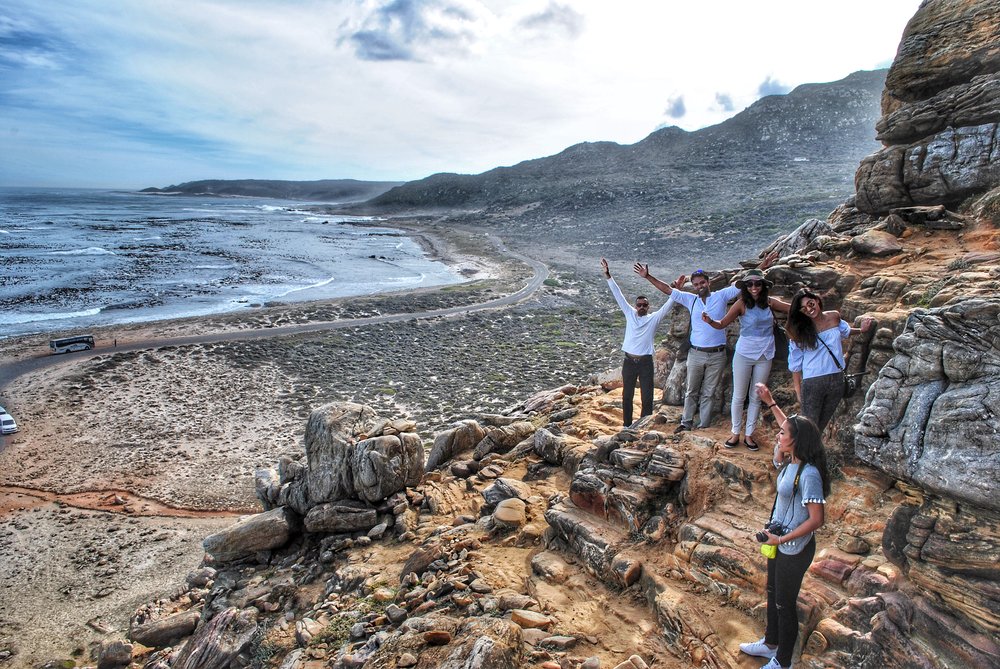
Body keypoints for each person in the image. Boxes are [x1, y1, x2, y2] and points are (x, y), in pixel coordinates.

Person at [740, 382, 829, 669]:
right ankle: (770, 644)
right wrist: (770, 401)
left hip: (794, 548)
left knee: (784, 604)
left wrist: (780, 540)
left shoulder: (810, 474)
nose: (778, 436)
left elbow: (817, 519)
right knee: (772, 594)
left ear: (795, 441)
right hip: (778, 542)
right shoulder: (792, 462)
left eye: (781, 435)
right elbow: (790, 427)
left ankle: (783, 661)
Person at [635, 264, 739, 432]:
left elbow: (741, 286)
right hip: (696, 353)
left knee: (709, 391)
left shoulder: (721, 295)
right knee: (691, 390)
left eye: (702, 283)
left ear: (708, 282)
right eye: (696, 284)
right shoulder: (691, 299)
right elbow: (668, 290)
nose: (699, 287)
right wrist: (648, 276)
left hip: (717, 354)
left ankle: (704, 425)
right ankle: (686, 422)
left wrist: (762, 267)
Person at [702, 269, 789, 450]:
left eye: (757, 284)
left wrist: (812, 305)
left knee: (756, 396)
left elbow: (791, 307)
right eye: (750, 284)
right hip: (744, 354)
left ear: (763, 286)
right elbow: (722, 324)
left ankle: (749, 435)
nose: (754, 287)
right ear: (745, 287)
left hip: (765, 354)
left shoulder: (770, 303)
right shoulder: (741, 304)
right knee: (739, 395)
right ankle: (735, 433)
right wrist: (710, 321)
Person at [785, 289, 874, 431]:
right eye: (803, 308)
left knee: (819, 428)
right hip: (813, 382)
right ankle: (797, 453)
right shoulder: (799, 330)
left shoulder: (834, 317)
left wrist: (861, 330)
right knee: (809, 427)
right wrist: (798, 389)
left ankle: (808, 453)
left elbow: (845, 331)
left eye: (811, 304)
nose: (809, 309)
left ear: (817, 300)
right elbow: (795, 363)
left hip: (837, 380)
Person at [601, 258, 673, 427]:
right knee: (627, 395)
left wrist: (676, 290)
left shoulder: (653, 319)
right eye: (639, 304)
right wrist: (607, 274)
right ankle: (626, 425)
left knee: (647, 395)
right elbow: (617, 294)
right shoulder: (630, 313)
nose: (641, 307)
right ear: (635, 305)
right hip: (629, 361)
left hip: (646, 362)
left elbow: (668, 305)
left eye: (645, 305)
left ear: (648, 307)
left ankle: (644, 423)